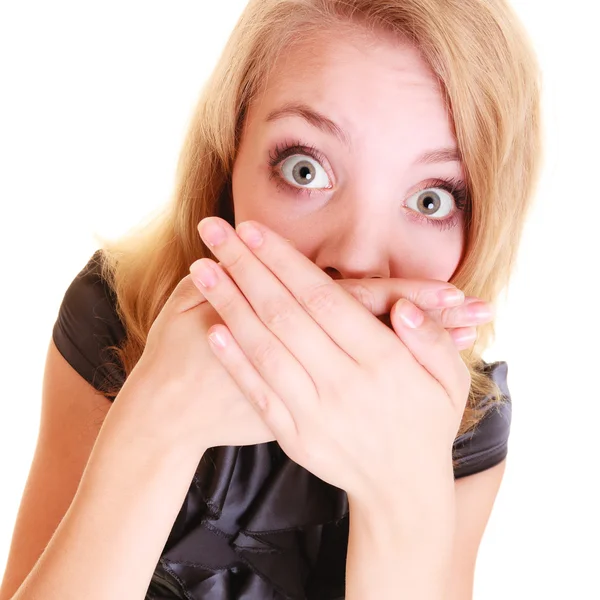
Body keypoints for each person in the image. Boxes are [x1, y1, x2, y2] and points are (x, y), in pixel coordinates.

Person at [0, 0, 542, 599]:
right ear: (229, 157)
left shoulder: (465, 423)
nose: (358, 259)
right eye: (306, 169)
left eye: (432, 199)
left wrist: (405, 496)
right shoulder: (114, 311)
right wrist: (157, 423)